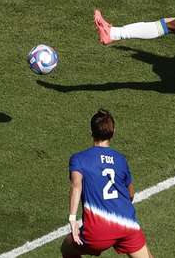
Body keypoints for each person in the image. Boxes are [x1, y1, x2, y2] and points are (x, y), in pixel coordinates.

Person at [61, 109, 154, 258]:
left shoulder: (79, 159)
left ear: (91, 131)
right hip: (127, 225)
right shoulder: (121, 160)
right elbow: (130, 193)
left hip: (98, 230)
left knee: (67, 249)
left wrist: (72, 219)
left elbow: (76, 186)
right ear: (113, 132)